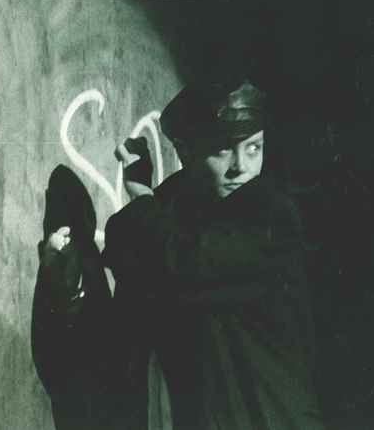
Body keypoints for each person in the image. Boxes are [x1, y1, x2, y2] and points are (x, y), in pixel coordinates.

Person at [31, 76, 325, 430]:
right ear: (185, 152)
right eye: (222, 149)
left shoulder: (271, 217)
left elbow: (186, 262)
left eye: (253, 148)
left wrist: (142, 195)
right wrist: (68, 288)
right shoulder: (172, 215)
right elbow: (130, 282)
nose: (241, 166)